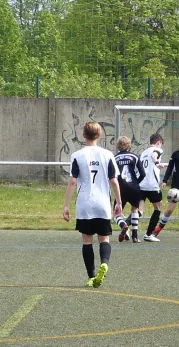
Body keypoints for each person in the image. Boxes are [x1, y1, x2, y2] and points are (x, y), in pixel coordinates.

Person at [63, 122, 123, 288]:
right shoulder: (107, 155)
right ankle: (104, 263)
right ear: (100, 135)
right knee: (104, 238)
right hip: (103, 203)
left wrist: (66, 205)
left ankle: (91, 276)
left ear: (83, 136)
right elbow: (114, 181)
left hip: (84, 204)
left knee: (87, 240)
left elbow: (72, 181)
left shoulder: (77, 155)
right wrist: (119, 202)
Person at [113, 136, 145, 243]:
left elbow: (112, 175)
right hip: (134, 188)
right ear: (129, 145)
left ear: (118, 145)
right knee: (135, 209)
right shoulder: (135, 157)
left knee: (116, 213)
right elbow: (142, 173)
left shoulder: (114, 158)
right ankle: (135, 236)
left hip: (121, 188)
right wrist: (136, 183)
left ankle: (124, 225)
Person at [139, 133, 165, 242]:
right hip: (152, 185)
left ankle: (125, 225)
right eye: (161, 144)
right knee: (158, 208)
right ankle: (149, 234)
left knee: (139, 210)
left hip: (141, 185)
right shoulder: (157, 149)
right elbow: (154, 155)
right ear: (158, 143)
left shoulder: (143, 153)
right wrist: (157, 162)